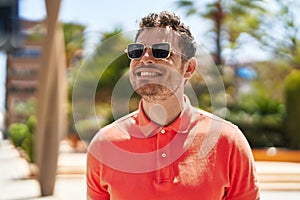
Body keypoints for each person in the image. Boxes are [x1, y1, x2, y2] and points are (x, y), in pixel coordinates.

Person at [86, 11, 260, 200]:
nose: (145, 58)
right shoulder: (103, 145)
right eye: (137, 51)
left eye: (161, 51)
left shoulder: (229, 141)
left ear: (189, 68)